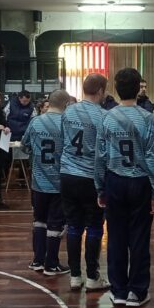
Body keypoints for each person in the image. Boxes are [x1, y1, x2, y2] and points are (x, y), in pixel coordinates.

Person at [96, 68, 154, 307]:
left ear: (116, 89)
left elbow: (100, 156)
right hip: (140, 181)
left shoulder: (107, 117)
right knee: (139, 238)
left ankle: (119, 290)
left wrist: (100, 187)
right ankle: (138, 291)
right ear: (138, 89)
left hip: (115, 180)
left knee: (115, 237)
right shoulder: (146, 118)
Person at [61, 74, 110, 291]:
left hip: (68, 174)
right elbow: (105, 151)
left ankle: (74, 276)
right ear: (100, 91)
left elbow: (63, 139)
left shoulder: (69, 110)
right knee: (94, 226)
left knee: (73, 225)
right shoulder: (103, 116)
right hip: (91, 176)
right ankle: (92, 276)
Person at [22, 89, 71, 275]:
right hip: (59, 182)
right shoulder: (66, 123)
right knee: (55, 223)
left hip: (38, 182)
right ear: (66, 105)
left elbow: (25, 145)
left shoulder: (35, 122)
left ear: (49, 103)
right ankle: (52, 264)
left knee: (39, 221)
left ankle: (37, 260)